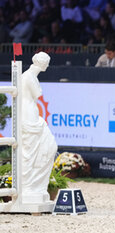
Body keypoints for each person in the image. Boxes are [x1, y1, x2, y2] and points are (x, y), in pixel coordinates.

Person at [21, 52, 57, 201]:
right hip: (29, 117)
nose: (48, 65)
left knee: (48, 146)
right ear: (42, 64)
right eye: (47, 62)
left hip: (32, 116)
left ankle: (37, 185)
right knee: (31, 151)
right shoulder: (29, 77)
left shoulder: (29, 76)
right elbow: (38, 93)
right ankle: (29, 186)